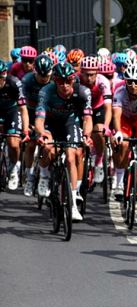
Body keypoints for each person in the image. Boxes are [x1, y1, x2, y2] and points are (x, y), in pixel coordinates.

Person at [34, 62, 92, 222]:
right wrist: (41, 133)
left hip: (69, 123)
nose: (65, 85)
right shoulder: (46, 91)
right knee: (48, 148)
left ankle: (72, 204)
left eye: (69, 81)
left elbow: (87, 118)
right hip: (50, 124)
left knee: (72, 157)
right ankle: (44, 177)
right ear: (54, 80)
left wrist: (87, 135)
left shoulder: (83, 92)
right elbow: (39, 120)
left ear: (74, 79)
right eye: (60, 81)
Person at [111, 64, 137, 204]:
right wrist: (117, 132)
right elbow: (116, 115)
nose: (133, 85)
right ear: (125, 82)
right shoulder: (119, 92)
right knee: (123, 144)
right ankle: (119, 184)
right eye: (129, 82)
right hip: (125, 120)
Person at [21, 55, 54, 197]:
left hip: (50, 113)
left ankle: (50, 173)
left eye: (46, 75)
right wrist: (26, 125)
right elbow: (21, 104)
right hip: (31, 111)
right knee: (30, 144)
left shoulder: (55, 81)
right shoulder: (27, 80)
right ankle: (29, 178)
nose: (43, 78)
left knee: (52, 147)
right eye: (40, 75)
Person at [78, 56, 113, 186]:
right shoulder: (76, 79)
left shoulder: (103, 82)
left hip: (97, 108)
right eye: (86, 75)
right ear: (81, 72)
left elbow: (108, 107)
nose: (89, 78)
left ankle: (99, 160)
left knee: (99, 131)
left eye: (92, 75)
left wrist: (106, 126)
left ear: (97, 73)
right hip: (81, 108)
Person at [0, 60, 29, 191]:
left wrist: (25, 130)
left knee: (14, 143)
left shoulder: (15, 83)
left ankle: (13, 169)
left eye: (0, 78)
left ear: (5, 76)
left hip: (12, 110)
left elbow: (23, 109)